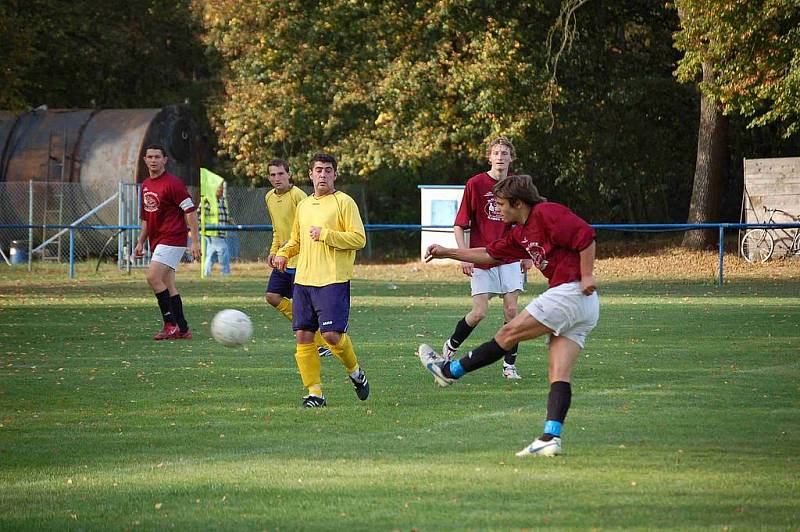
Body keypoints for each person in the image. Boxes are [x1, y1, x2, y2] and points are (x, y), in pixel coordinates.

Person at [419, 174, 599, 457]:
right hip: (582, 306)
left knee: (507, 333)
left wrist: (587, 275)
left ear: (518, 202)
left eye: (501, 204)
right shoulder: (518, 232)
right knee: (558, 373)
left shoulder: (547, 213)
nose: (498, 209)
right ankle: (550, 437)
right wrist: (448, 253)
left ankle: (449, 371)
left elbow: (586, 236)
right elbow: (491, 254)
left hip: (571, 293)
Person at [273, 152, 369, 408]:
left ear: (335, 175)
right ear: (310, 174)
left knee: (331, 335)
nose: (323, 174)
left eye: (328, 170)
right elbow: (297, 240)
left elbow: (359, 239)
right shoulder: (303, 205)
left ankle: (355, 372)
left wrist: (327, 234)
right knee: (304, 336)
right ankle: (315, 393)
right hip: (304, 280)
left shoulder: (344, 203)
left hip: (333, 279)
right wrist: (283, 253)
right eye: (318, 170)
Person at [443, 136, 531, 380]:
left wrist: (528, 254)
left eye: (505, 153)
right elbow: (460, 225)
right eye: (496, 153)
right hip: (483, 257)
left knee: (512, 311)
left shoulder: (518, 187)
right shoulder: (476, 184)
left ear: (511, 158)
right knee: (479, 312)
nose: (500, 157)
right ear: (489, 157)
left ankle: (509, 366)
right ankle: (451, 345)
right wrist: (464, 256)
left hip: (511, 257)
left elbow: (527, 223)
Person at [264, 158, 331, 358]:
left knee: (304, 307)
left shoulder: (298, 196)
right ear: (269, 178)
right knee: (272, 296)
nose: (277, 178)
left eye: (281, 174)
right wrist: (274, 250)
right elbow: (277, 228)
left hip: (301, 259)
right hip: (283, 258)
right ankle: (315, 334)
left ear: (289, 174)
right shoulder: (269, 197)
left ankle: (319, 342)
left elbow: (305, 227)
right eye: (273, 175)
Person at [134, 144, 200, 340]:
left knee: (153, 277)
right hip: (158, 241)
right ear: (145, 160)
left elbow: (190, 211)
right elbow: (146, 217)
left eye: (157, 157)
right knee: (167, 284)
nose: (153, 160)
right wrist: (140, 242)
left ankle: (169, 325)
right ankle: (183, 328)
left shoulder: (173, 183)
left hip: (173, 238)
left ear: (165, 160)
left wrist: (194, 241)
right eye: (150, 157)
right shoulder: (145, 185)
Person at [203, 181, 231, 277]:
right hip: (214, 232)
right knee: (224, 252)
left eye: (222, 188)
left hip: (221, 232)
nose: (221, 190)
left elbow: (222, 215)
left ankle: (206, 273)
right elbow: (199, 215)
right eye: (219, 188)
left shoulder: (223, 201)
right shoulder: (208, 201)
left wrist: (229, 220)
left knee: (211, 255)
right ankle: (225, 273)